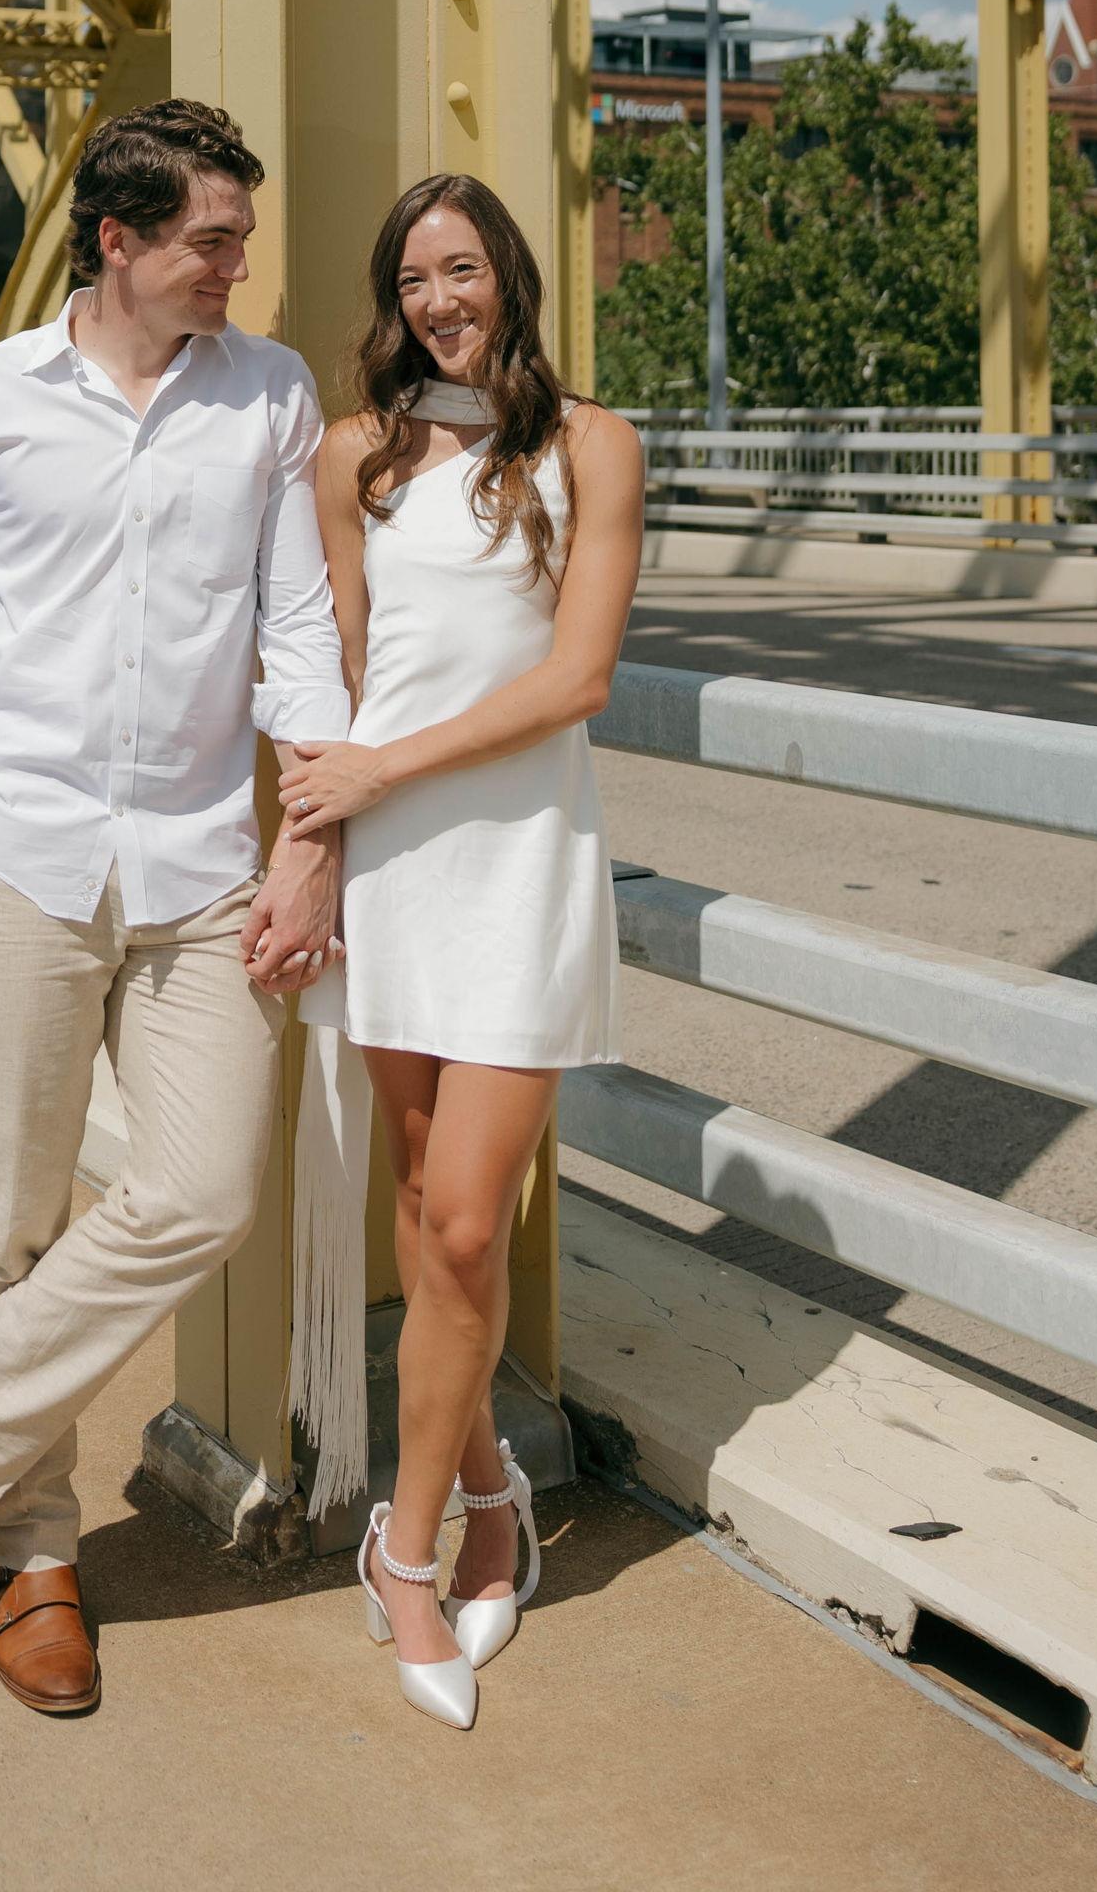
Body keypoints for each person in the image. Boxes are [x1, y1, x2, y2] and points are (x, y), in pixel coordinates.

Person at [0, 99, 349, 1716]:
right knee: (10, 1222)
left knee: (203, 1189)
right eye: (211, 241)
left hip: (198, 866)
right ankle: (36, 1560)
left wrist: (310, 840)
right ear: (116, 240)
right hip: (18, 850)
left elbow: (298, 630)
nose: (235, 266)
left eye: (239, 239)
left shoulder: (270, 393)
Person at [285, 173, 643, 1729]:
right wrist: (317, 837)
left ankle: (405, 1551)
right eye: (414, 277)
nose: (441, 299)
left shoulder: (591, 447)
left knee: (469, 1223)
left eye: (464, 268)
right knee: (431, 1217)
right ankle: (491, 1492)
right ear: (393, 299)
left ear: (511, 275)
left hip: (517, 864)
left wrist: (383, 769)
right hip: (391, 873)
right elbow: (340, 669)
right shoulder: (352, 457)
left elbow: (577, 680)